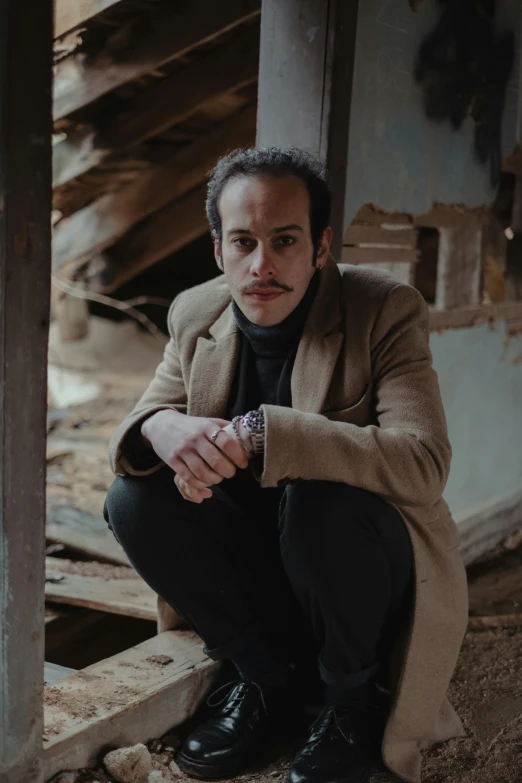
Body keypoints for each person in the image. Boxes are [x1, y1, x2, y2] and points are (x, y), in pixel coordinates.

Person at [104, 148, 468, 783]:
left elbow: (424, 462)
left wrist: (267, 434)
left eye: (285, 241)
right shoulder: (195, 312)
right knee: (133, 498)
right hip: (261, 576)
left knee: (319, 498)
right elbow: (145, 418)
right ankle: (265, 679)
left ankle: (353, 703)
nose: (262, 265)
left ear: (321, 247)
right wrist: (160, 426)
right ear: (219, 248)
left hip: (354, 575)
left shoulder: (383, 310)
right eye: (243, 241)